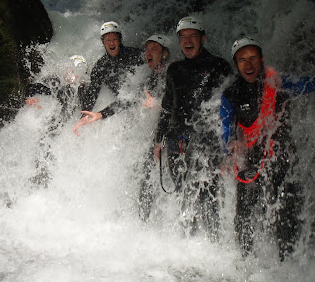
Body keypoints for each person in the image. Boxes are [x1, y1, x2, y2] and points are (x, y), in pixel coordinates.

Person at [221, 36, 315, 260]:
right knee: (244, 216)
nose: (248, 64)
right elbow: (226, 131)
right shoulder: (230, 94)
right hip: (250, 163)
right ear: (236, 64)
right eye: (242, 60)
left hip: (281, 158)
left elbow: (312, 83)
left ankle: (286, 264)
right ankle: (245, 264)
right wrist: (229, 153)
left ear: (261, 59)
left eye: (252, 58)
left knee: (286, 212)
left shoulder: (278, 83)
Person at [153, 16, 233, 240]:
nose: (187, 41)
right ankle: (188, 241)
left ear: (203, 38)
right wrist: (158, 141)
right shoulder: (174, 70)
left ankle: (213, 240)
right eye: (183, 37)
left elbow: (229, 108)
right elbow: (167, 108)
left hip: (207, 142)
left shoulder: (219, 66)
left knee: (209, 194)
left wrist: (229, 144)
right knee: (182, 192)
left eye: (193, 36)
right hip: (176, 140)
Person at [25, 55, 88, 187]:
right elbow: (34, 87)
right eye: (69, 71)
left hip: (72, 126)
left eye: (75, 73)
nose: (71, 76)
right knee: (45, 141)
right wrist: (28, 98)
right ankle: (38, 177)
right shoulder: (57, 83)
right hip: (57, 123)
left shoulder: (86, 87)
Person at [73, 21, 143, 135]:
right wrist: (84, 117)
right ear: (103, 43)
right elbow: (93, 93)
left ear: (119, 40)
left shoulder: (136, 55)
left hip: (138, 100)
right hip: (121, 106)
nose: (111, 43)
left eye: (114, 39)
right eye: (107, 40)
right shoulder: (101, 66)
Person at [136, 34, 172, 221]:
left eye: (154, 49)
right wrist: (101, 114)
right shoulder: (150, 79)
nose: (148, 53)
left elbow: (175, 107)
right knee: (145, 179)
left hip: (171, 137)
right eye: (147, 49)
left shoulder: (172, 75)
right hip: (156, 136)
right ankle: (143, 223)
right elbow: (128, 101)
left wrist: (157, 104)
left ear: (165, 53)